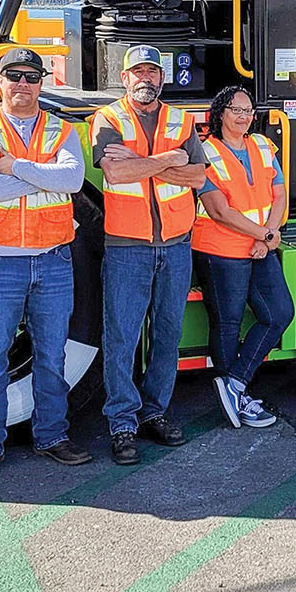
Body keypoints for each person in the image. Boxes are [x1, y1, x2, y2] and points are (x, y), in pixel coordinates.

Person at [0, 47, 93, 479]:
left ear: (42, 82)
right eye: (13, 76)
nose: (22, 84)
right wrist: (42, 176)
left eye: (31, 76)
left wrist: (14, 167)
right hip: (0, 264)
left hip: (53, 260)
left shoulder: (60, 129)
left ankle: (52, 435)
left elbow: (72, 180)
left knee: (51, 356)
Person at [91, 44, 208, 465]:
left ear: (162, 78)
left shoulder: (181, 119)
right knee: (121, 338)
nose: (146, 78)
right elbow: (116, 171)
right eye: (137, 71)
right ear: (124, 78)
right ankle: (122, 423)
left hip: (176, 245)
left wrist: (144, 161)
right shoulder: (106, 119)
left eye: (153, 72)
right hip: (127, 247)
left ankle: (154, 412)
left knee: (167, 335)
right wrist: (165, 159)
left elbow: (198, 175)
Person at [193, 85, 294, 429]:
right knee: (228, 322)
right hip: (221, 250)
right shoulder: (206, 152)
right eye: (236, 109)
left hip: (259, 248)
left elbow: (279, 194)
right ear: (220, 113)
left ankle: (234, 384)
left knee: (280, 313)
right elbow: (218, 211)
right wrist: (264, 235)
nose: (244, 116)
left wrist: (268, 235)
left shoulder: (263, 146)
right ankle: (235, 395)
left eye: (249, 110)